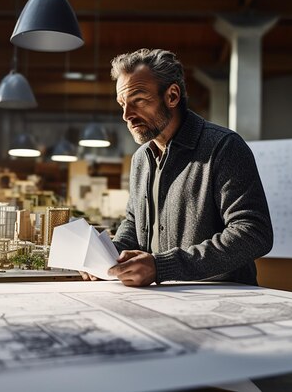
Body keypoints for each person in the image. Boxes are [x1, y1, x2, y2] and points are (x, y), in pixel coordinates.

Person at [80, 48, 273, 287]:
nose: (126, 115)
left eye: (138, 100)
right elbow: (133, 223)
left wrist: (161, 266)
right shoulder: (141, 159)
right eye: (122, 104)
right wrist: (111, 259)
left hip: (222, 299)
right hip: (162, 299)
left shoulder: (224, 147)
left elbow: (254, 233)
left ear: (172, 96)